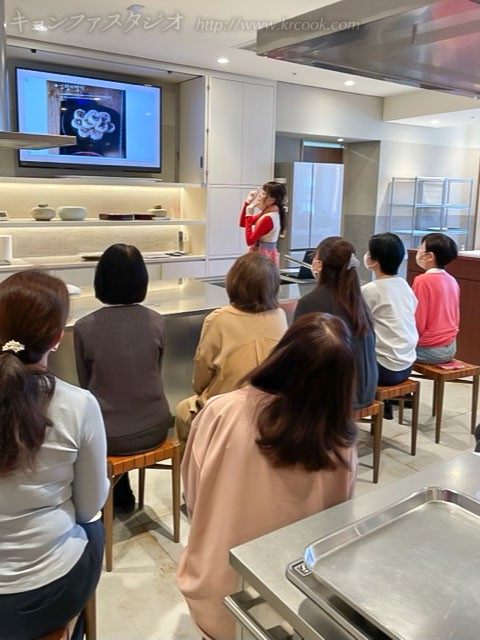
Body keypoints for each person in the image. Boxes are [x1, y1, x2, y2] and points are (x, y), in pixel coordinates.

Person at [177, 313, 358, 640]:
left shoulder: (222, 412)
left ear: (283, 354)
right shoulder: (341, 444)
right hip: (298, 601)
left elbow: (192, 494)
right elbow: (337, 525)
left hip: (218, 588)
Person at [0, 269, 108, 640]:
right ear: (58, 338)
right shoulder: (78, 405)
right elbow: (89, 503)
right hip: (46, 590)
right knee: (93, 522)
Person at [74, 243, 172, 512]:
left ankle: (103, 496)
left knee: (91, 422)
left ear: (101, 280)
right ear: (142, 280)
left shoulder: (85, 328)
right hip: (156, 426)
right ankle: (123, 491)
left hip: (109, 436)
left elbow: (87, 386)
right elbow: (155, 372)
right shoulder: (156, 321)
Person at [175, 252, 288, 457]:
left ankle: (193, 481)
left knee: (183, 412)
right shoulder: (279, 316)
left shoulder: (218, 320)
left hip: (225, 412)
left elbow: (202, 374)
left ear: (234, 281)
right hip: (272, 408)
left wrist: (201, 392)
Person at [293, 236, 377, 409]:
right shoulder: (358, 300)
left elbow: (296, 354)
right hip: (366, 389)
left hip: (337, 396)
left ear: (320, 265)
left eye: (315, 260)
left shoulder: (310, 302)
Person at [362, 233, 418, 384]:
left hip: (383, 369)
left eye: (369, 252)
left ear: (374, 261)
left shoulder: (370, 290)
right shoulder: (404, 285)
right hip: (407, 365)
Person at [412, 233, 460, 364]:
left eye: (421, 248)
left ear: (430, 256)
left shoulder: (422, 281)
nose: (418, 251)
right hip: (451, 347)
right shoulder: (452, 280)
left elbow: (418, 321)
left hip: (428, 350)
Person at [239, 181, 287, 265]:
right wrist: (247, 202)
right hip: (263, 255)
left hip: (262, 258)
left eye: (264, 194)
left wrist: (249, 215)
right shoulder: (269, 213)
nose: (259, 196)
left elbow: (249, 241)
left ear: (272, 200)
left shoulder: (268, 218)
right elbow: (243, 223)